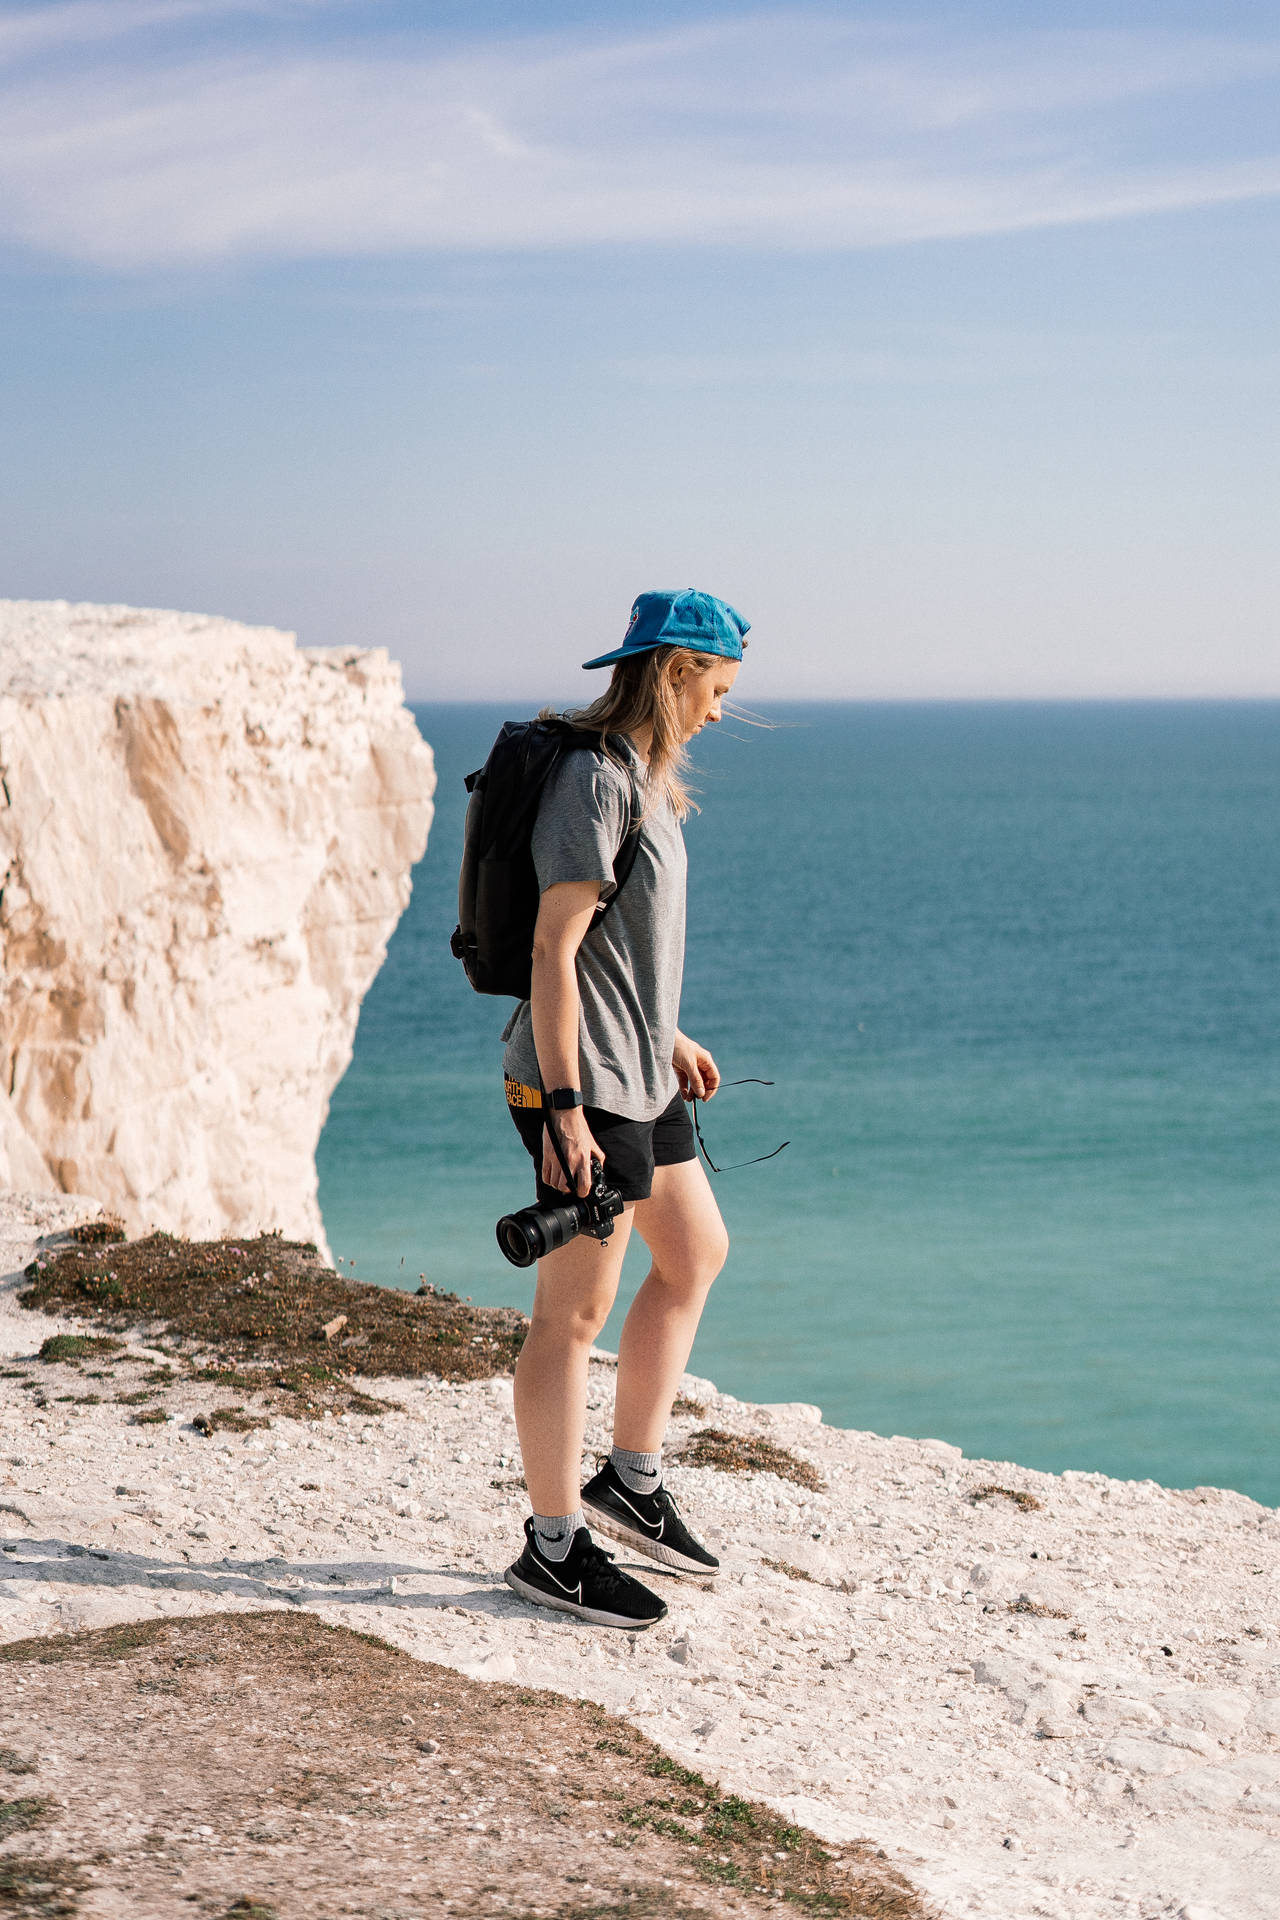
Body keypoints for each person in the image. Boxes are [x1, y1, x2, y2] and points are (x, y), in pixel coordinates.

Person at [500, 588, 748, 1630]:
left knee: (693, 1254)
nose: (721, 712)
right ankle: (551, 1548)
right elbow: (553, 951)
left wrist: (667, 1033)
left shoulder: (645, 780)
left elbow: (620, 948)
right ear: (675, 672)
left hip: (636, 1069)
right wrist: (562, 1109)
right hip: (581, 1086)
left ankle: (628, 1479)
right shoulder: (591, 784)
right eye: (716, 690)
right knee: (570, 1317)